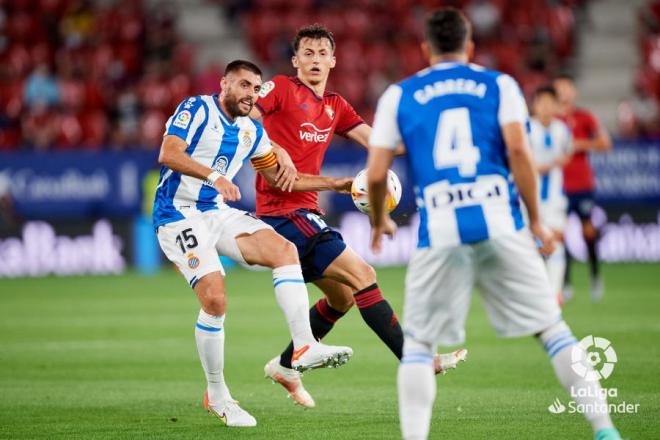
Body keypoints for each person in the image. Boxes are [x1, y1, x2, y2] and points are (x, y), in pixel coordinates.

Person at [366, 9, 621, 440]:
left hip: (440, 231)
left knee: (419, 346)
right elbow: (520, 154)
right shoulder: (500, 84)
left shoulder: (398, 94)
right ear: (470, 48)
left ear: (425, 50)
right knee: (553, 330)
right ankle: (605, 430)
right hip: (502, 223)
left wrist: (378, 221)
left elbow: (375, 175)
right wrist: (536, 221)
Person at [249, 24, 466, 409]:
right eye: (308, 53)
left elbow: (381, 143)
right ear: (295, 60)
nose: (315, 60)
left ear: (333, 60)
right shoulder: (280, 88)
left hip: (305, 211)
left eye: (322, 54)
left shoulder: (335, 105)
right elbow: (246, 112)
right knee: (364, 276)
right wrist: (273, 149)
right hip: (282, 213)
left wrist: (428, 134)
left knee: (344, 297)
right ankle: (417, 362)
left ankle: (285, 365)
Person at [153, 60, 355, 428]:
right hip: (177, 214)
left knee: (285, 250)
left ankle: (305, 345)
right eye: (243, 85)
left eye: (256, 88)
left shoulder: (250, 131)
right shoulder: (197, 108)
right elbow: (168, 154)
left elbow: (282, 180)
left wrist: (335, 184)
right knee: (215, 300)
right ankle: (217, 395)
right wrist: (215, 176)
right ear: (224, 85)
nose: (251, 94)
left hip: (215, 211)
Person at [554, 74, 612, 302]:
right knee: (561, 234)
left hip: (582, 184)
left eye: (566, 87)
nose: (563, 92)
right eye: (559, 88)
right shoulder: (551, 121)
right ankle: (565, 283)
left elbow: (605, 143)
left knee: (588, 231)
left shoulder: (584, 117)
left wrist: (579, 145)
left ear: (573, 91)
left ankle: (595, 276)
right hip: (559, 187)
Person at [528, 85, 573, 302]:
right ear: (535, 105)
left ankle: (554, 292)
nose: (545, 107)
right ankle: (539, 291)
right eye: (541, 102)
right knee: (531, 246)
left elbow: (567, 155)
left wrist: (558, 162)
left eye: (549, 103)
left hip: (555, 198)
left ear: (556, 105)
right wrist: (537, 167)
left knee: (555, 241)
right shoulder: (527, 128)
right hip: (529, 199)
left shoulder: (562, 130)